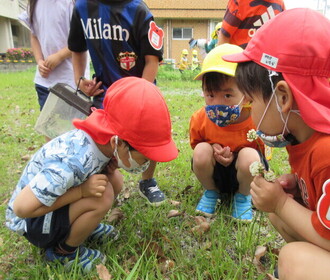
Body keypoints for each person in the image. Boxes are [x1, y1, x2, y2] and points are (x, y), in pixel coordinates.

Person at [5, 77, 178, 272]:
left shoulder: (102, 144)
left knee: (114, 181)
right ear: (117, 143)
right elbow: (22, 208)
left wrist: (105, 170)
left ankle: (82, 227)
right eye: (145, 157)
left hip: (50, 206)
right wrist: (81, 192)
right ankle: (62, 253)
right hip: (32, 224)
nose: (147, 164)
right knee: (101, 197)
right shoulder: (73, 161)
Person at [223, 8, 330, 279]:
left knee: (292, 258)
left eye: (250, 100)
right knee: (277, 213)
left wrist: (282, 203)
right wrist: (298, 187)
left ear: (282, 97)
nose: (247, 110)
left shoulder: (327, 154)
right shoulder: (306, 139)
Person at [68, 0, 166, 206]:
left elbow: (152, 60)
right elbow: (77, 48)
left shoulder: (138, 11)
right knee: (101, 143)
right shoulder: (82, 7)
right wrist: (79, 79)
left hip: (140, 90)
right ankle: (108, 188)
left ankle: (147, 181)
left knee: (150, 135)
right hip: (105, 92)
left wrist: (140, 95)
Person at [189, 44, 265, 221]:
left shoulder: (256, 119)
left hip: (245, 177)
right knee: (201, 151)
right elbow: (197, 146)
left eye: (227, 96)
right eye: (210, 95)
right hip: (216, 175)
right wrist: (212, 148)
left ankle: (243, 197)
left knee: (249, 157)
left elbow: (261, 157)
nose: (218, 103)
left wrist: (236, 155)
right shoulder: (200, 118)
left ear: (246, 95)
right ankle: (211, 192)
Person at [217, 0, 285, 49]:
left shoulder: (280, 3)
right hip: (240, 62)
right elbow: (224, 36)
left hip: (267, 61)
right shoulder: (240, 2)